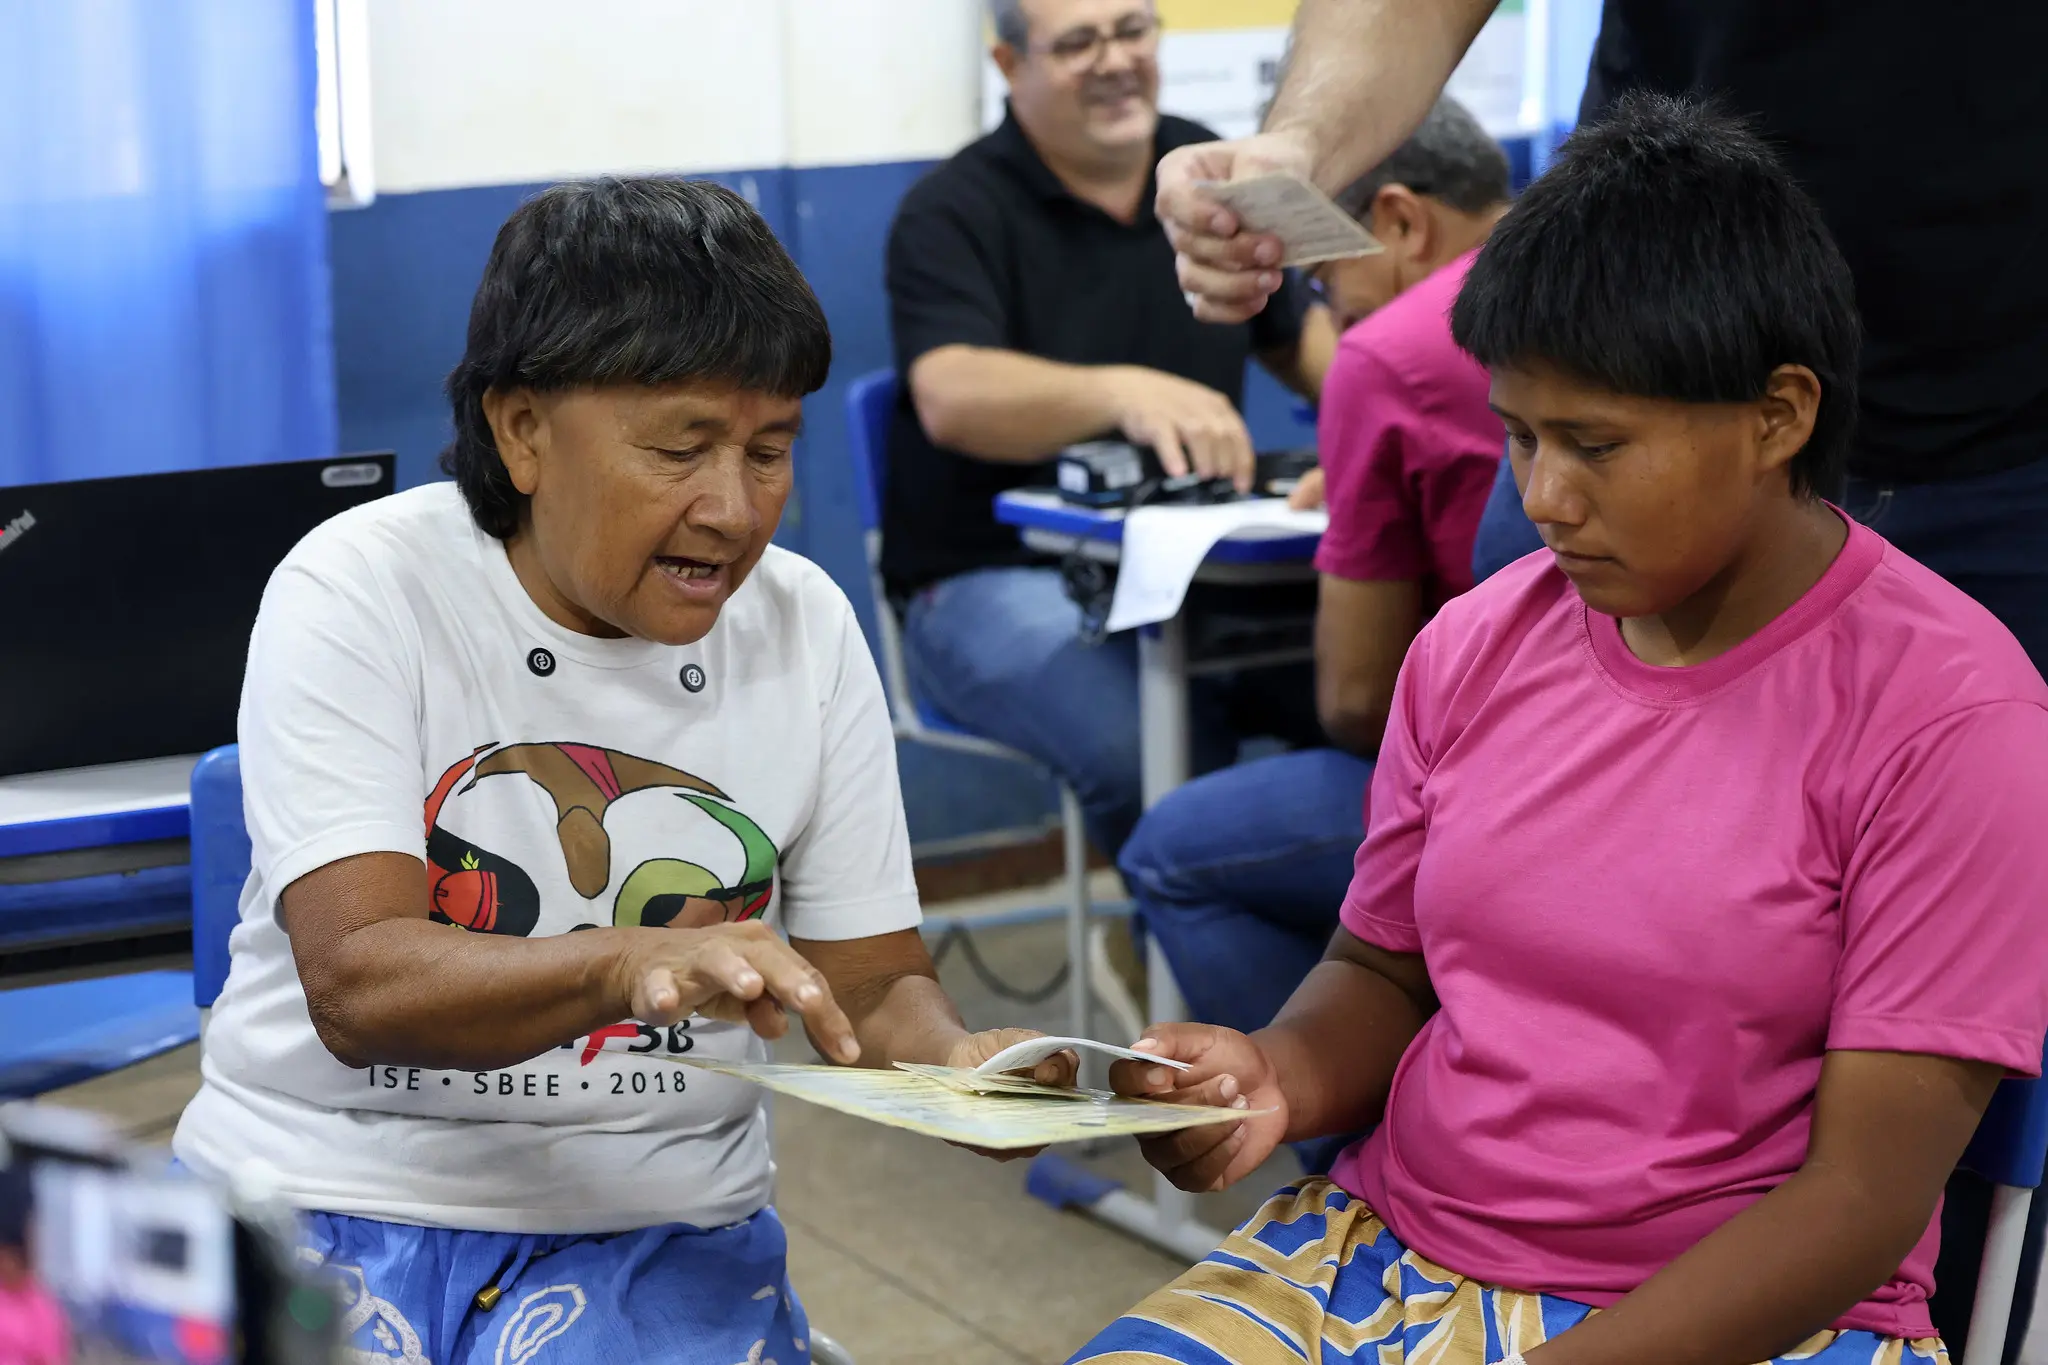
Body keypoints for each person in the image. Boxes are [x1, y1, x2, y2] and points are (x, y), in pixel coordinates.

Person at [1071, 97, 2048, 1365]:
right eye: (1519, 437)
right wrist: (1276, 1076)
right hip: (1393, 1248)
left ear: (1777, 415)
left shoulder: (1948, 716)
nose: (1541, 497)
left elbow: (1861, 1202)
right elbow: (1383, 972)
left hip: (1747, 1313)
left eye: (1595, 444)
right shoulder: (1475, 644)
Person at [172, 178, 1071, 1365]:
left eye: (769, 451)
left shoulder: (804, 626)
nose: (734, 510)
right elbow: (358, 985)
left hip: (652, 1224)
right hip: (320, 1189)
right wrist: (631, 959)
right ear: (521, 430)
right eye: (680, 448)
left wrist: (957, 1065)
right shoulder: (361, 585)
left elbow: (868, 985)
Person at [1150, 0, 2048, 678]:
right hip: (1632, 339)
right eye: (1521, 438)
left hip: (1998, 428)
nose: (1544, 496)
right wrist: (1300, 141)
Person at [1100, 100, 1509, 1106]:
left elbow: (1359, 704)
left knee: (1174, 848)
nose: (1328, 319)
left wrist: (1360, 520)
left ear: (1402, 223)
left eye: (1324, 281)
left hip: (1504, 780)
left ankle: (1345, 1149)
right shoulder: (1605, 280)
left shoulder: (1392, 352)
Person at [881, 0, 1340, 857]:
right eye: (1078, 42)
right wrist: (1125, 393)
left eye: (1132, 30)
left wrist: (1389, 431)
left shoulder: (1204, 170)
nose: (1115, 60)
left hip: (1201, 569)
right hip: (989, 573)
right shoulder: (951, 209)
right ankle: (1174, 948)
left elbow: (1323, 359)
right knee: (1154, 748)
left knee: (1369, 690)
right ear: (1010, 66)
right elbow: (949, 391)